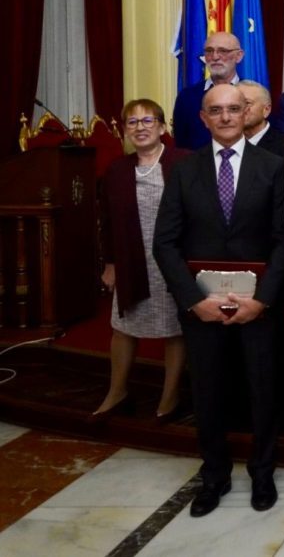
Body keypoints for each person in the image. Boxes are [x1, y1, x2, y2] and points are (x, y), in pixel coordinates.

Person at [153, 83, 284, 517]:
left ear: (247, 111)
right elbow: (165, 243)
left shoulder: (273, 167)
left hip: (258, 310)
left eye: (235, 108)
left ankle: (262, 471)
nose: (228, 116)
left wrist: (264, 301)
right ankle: (214, 475)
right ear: (203, 118)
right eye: (218, 110)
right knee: (208, 393)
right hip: (203, 311)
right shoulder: (183, 170)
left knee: (262, 391)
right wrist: (193, 300)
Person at [95, 99, 188, 423]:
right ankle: (117, 391)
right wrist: (110, 263)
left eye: (148, 121)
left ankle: (169, 395)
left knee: (175, 329)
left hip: (174, 260)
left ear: (163, 127)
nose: (140, 127)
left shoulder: (183, 163)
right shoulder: (118, 169)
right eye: (132, 122)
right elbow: (105, 220)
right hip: (131, 257)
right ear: (125, 131)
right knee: (123, 327)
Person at [171, 31, 242, 150]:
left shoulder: (251, 94)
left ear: (238, 56)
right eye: (209, 51)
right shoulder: (187, 97)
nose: (215, 57)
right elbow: (181, 146)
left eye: (223, 51)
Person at [240, 80, 284, 159]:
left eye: (247, 103)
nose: (240, 108)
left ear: (266, 110)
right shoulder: (224, 142)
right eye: (235, 104)